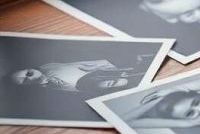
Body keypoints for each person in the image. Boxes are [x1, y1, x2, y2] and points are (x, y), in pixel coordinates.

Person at [8, 56, 152, 94]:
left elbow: (81, 64)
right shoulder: (50, 89)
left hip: (107, 69)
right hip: (102, 82)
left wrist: (104, 64)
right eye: (25, 80)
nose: (29, 76)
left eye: (27, 73)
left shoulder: (47, 66)